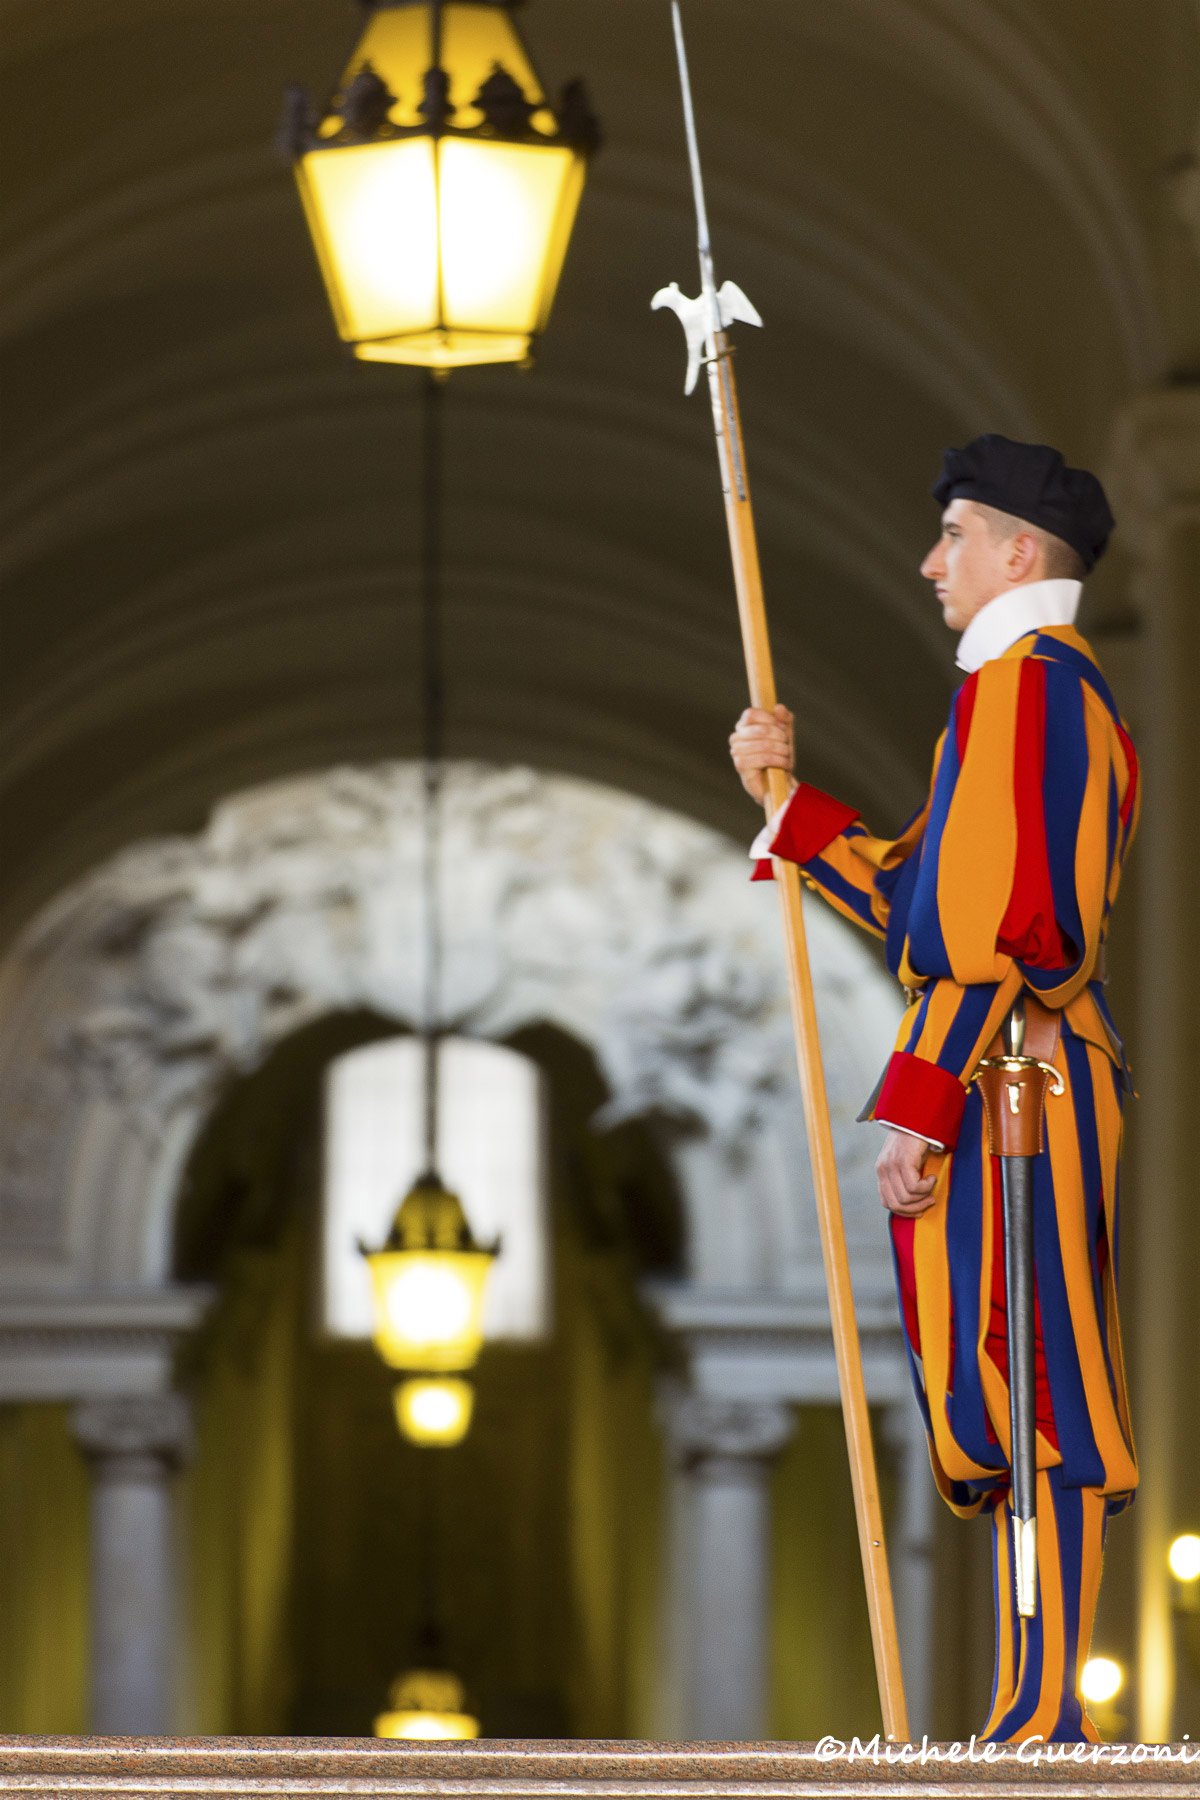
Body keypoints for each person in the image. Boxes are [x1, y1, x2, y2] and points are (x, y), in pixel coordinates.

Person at [729, 435, 1139, 1745]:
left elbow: (1007, 931)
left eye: (953, 535)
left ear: (1020, 552)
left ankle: (1044, 1708)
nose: (929, 563)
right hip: (1003, 1067)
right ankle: (1030, 1696)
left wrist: (920, 1097)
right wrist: (786, 807)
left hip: (1022, 1079)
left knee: (1039, 1387)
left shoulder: (1029, 688)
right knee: (1003, 1388)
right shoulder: (1014, 695)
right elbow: (921, 898)